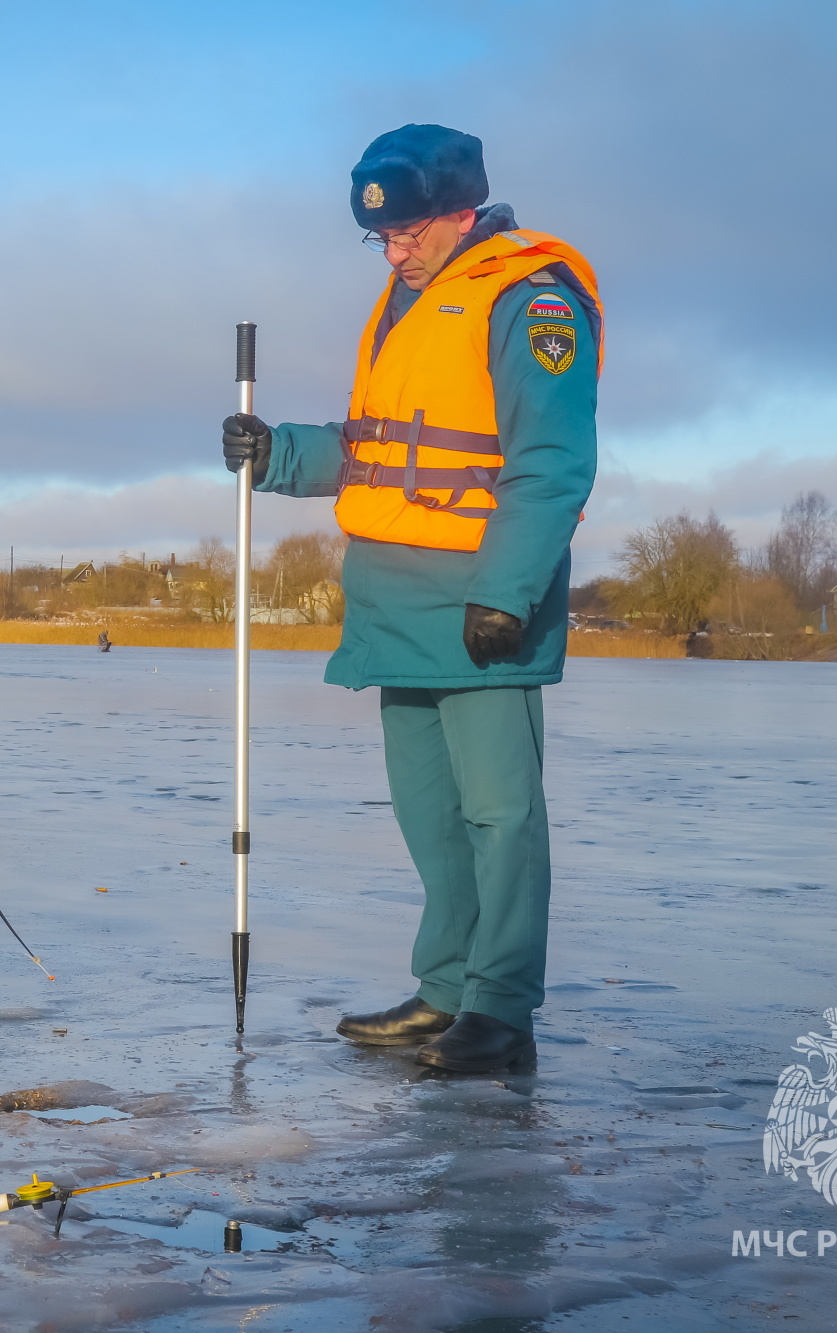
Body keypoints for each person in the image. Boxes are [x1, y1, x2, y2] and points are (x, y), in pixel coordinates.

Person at [222, 124, 598, 1074]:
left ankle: (500, 1010)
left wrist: (507, 591)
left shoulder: (530, 300)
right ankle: (445, 991)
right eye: (379, 239)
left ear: (463, 210)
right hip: (391, 602)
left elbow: (551, 463)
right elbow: (383, 444)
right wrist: (281, 454)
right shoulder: (409, 297)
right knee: (430, 815)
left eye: (410, 233)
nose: (394, 252)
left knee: (500, 815)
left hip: (479, 605)